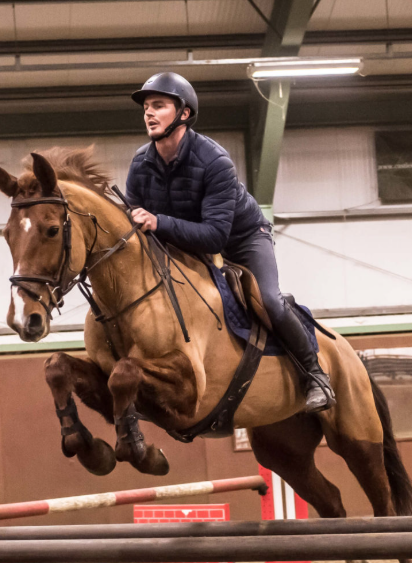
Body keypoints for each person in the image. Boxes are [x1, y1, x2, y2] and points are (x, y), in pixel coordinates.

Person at [123, 71, 335, 413]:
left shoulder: (214, 160)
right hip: (178, 242)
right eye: (146, 107)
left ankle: (315, 375)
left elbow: (214, 236)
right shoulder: (140, 163)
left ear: (184, 113)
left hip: (242, 237)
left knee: (267, 300)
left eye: (158, 106)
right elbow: (134, 217)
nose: (148, 113)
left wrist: (158, 221)